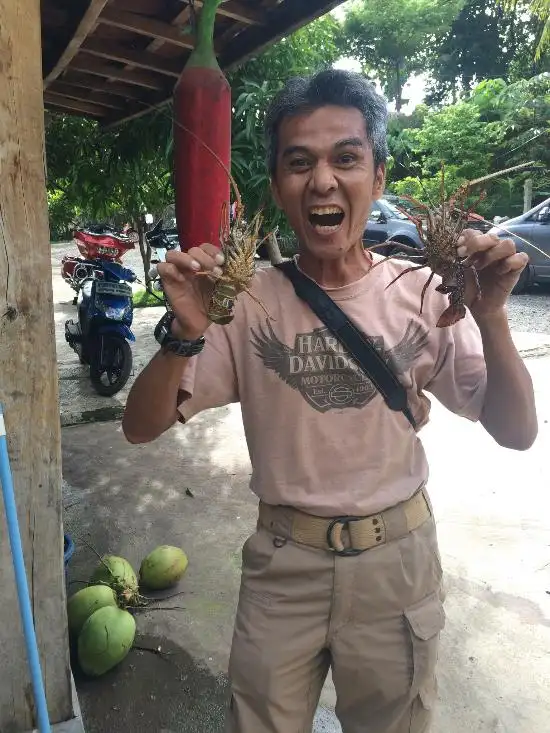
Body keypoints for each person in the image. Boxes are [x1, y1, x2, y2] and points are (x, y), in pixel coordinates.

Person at [122, 69, 538, 733]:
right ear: (278, 187)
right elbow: (140, 428)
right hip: (283, 565)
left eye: (346, 158)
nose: (323, 180)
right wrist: (184, 334)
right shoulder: (246, 301)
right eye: (299, 162)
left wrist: (490, 316)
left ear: (377, 176)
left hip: (396, 562)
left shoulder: (427, 292)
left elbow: (518, 432)